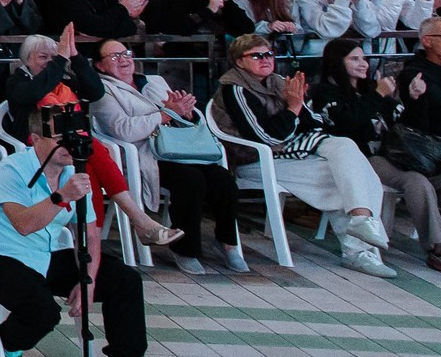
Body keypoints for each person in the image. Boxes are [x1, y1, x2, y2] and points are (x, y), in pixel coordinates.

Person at [0, 102, 182, 357]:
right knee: (43, 311)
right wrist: (61, 197)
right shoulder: (9, 171)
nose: (69, 145)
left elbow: (91, 234)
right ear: (36, 139)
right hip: (1, 255)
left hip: (47, 253)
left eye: (74, 137)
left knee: (124, 279)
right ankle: (7, 346)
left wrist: (88, 280)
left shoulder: (74, 172)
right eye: (59, 138)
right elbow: (23, 225)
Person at [212, 32, 396, 276]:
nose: (265, 59)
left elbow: (314, 122)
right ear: (239, 61)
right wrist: (294, 108)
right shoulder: (235, 89)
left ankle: (360, 223)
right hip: (255, 159)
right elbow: (265, 137)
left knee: (346, 153)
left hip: (289, 152)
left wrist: (295, 110)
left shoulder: (278, 81)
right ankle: (357, 250)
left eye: (269, 54)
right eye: (256, 56)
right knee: (342, 176)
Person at [89, 36, 246, 275]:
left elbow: (182, 116)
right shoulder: (102, 90)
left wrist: (186, 113)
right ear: (99, 65)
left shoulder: (154, 81)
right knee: (191, 180)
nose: (123, 60)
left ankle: (227, 243)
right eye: (114, 56)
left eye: (126, 54)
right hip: (144, 155)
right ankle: (185, 249)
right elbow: (122, 129)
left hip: (180, 148)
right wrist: (165, 115)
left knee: (223, 179)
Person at [312, 35, 441, 271]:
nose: (363, 64)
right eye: (354, 59)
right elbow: (348, 124)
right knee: (416, 181)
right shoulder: (325, 93)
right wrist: (378, 96)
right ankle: (437, 247)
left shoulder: (371, 88)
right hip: (363, 158)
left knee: (424, 179)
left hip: (402, 155)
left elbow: (405, 125)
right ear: (337, 61)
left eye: (364, 58)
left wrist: (414, 98)